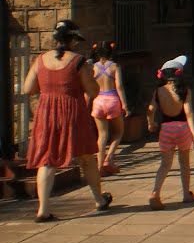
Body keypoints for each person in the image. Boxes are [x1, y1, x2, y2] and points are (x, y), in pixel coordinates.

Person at [22, 19, 113, 222]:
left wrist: (48, 87)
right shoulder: (78, 61)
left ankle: (43, 209)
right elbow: (93, 90)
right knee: (86, 158)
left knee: (47, 160)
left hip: (46, 113)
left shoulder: (41, 60)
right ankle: (99, 200)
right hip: (73, 112)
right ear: (72, 40)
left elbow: (28, 89)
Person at [146, 55, 194, 210]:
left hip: (166, 129)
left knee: (165, 164)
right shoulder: (184, 91)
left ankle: (155, 192)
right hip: (182, 128)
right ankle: (186, 194)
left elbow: (150, 110)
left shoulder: (158, 92)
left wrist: (151, 123)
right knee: (184, 163)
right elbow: (188, 113)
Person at [90, 41, 129, 176]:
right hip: (112, 100)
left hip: (98, 101)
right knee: (118, 133)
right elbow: (119, 86)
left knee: (102, 135)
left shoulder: (93, 67)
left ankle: (100, 167)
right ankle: (109, 158)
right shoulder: (115, 67)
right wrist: (125, 105)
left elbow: (89, 88)